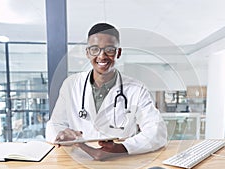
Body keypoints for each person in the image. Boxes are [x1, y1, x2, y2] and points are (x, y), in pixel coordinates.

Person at [45, 22, 167, 160]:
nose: (102, 56)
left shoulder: (136, 89)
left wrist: (120, 148)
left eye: (109, 49)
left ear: (118, 53)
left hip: (120, 161)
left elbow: (157, 131)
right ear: (87, 53)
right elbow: (54, 124)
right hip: (79, 160)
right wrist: (62, 134)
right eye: (95, 49)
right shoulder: (71, 85)